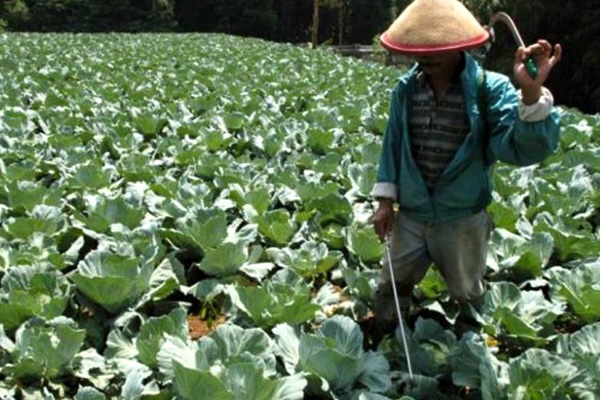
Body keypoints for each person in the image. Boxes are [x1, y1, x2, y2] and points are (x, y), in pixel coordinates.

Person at [371, 0, 562, 339]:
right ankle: (384, 336)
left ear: (459, 46)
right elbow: (393, 144)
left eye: (436, 48)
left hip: (461, 217)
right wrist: (386, 200)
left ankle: (469, 348)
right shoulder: (406, 90)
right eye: (420, 49)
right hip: (412, 213)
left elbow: (518, 147)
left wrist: (530, 92)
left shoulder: (489, 89)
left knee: (466, 290)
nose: (426, 57)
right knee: (392, 282)